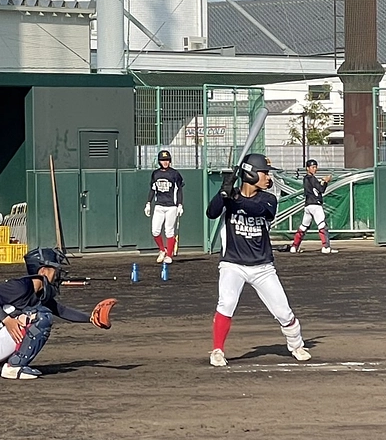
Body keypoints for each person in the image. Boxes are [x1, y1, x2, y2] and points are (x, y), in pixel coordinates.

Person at [206, 153, 311, 368]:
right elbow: (211, 212)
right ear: (251, 173)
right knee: (226, 303)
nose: (267, 177)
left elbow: (257, 210)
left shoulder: (268, 199)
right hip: (232, 263)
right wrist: (222, 192)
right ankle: (217, 350)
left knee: (283, 311)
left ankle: (297, 345)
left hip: (262, 266)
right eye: (264, 172)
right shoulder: (230, 195)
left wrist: (232, 198)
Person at [0, 247, 116, 380]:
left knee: (34, 314)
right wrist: (7, 320)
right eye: (55, 269)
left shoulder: (39, 293)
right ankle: (14, 367)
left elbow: (61, 310)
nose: (58, 274)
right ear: (43, 271)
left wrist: (91, 319)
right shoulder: (21, 286)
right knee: (41, 317)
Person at [144, 149, 184, 264]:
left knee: (169, 231)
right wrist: (148, 203)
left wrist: (180, 204)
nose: (165, 162)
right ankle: (162, 250)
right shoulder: (155, 174)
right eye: (162, 160)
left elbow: (180, 189)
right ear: (159, 161)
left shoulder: (174, 174)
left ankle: (169, 255)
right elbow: (152, 189)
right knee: (155, 231)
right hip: (159, 205)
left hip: (171, 206)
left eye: (166, 160)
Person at [290, 159, 337, 254]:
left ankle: (294, 247)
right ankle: (326, 247)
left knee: (303, 226)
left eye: (316, 167)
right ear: (308, 168)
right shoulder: (312, 178)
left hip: (308, 205)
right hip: (315, 205)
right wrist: (325, 181)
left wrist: (323, 182)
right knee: (322, 225)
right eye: (313, 167)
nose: (315, 169)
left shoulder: (306, 179)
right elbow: (321, 189)